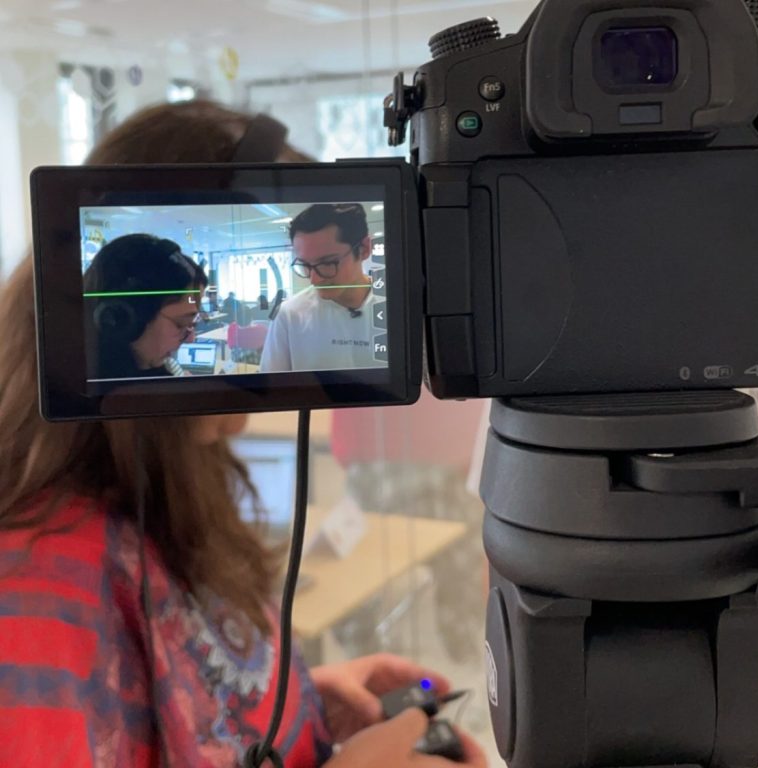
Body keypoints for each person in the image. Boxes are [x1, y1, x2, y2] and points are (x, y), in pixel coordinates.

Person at [0, 99, 488, 768]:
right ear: (115, 326)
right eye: (182, 326)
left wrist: (300, 710)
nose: (198, 348)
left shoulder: (177, 479)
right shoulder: (39, 590)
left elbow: (186, 718)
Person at [259, 203, 387, 373]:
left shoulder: (401, 306)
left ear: (364, 249)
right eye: (305, 265)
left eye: (327, 263)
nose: (314, 279)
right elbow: (271, 385)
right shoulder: (289, 315)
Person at [84, 233, 206, 379]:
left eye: (192, 324)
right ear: (125, 316)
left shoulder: (168, 367)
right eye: (180, 324)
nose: (190, 339)